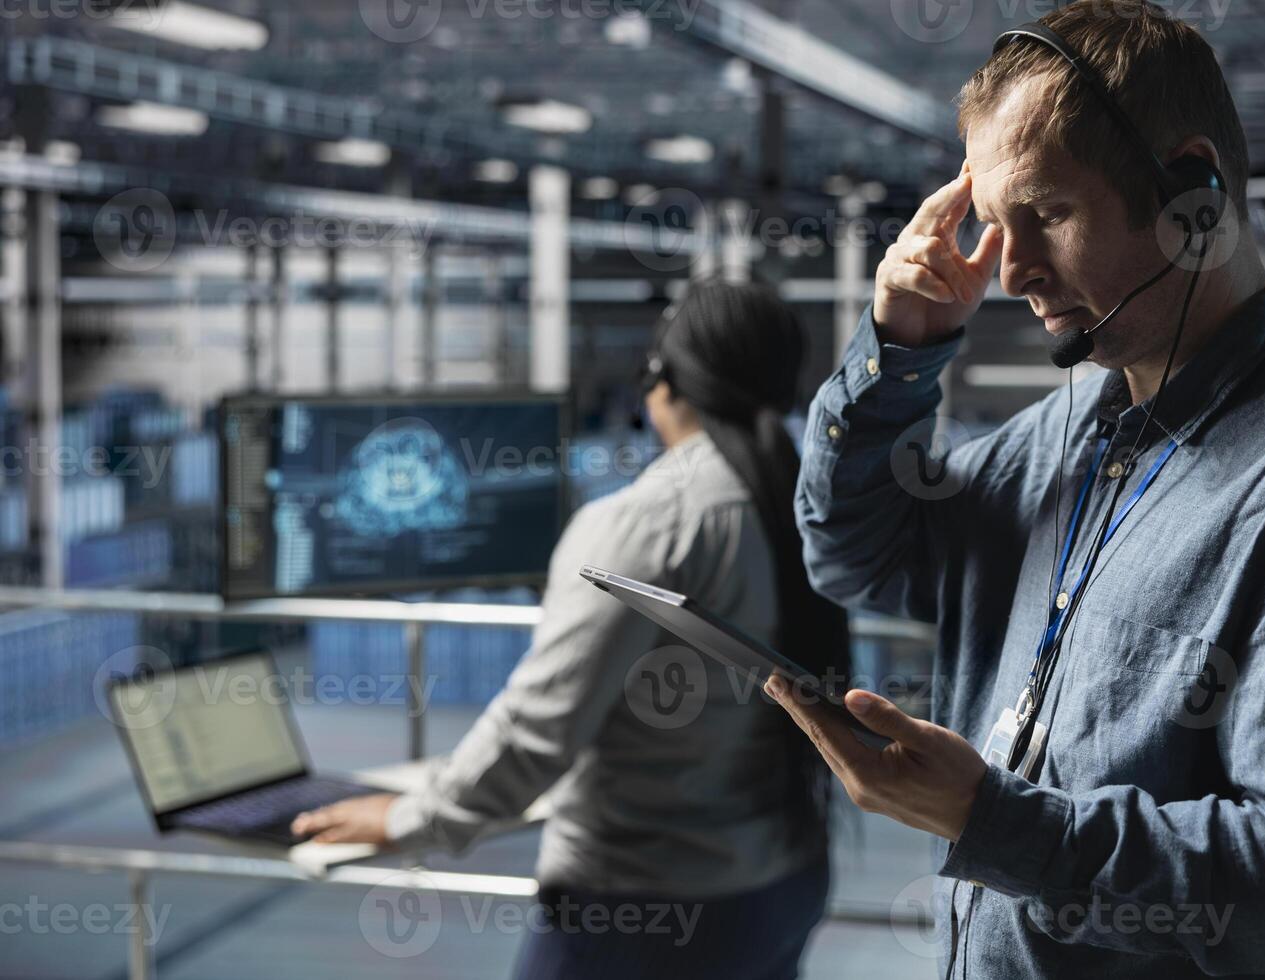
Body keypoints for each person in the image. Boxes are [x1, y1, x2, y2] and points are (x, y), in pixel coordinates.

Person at [764, 2, 1265, 977]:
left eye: (1046, 215)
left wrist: (995, 821)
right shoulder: (1069, 433)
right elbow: (858, 553)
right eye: (997, 227)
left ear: (1192, 196)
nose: (1013, 271)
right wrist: (898, 358)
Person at [292, 280, 850, 979]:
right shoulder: (803, 506)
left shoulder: (648, 521)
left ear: (663, 383)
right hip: (782, 885)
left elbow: (541, 725)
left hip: (644, 910)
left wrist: (412, 818)